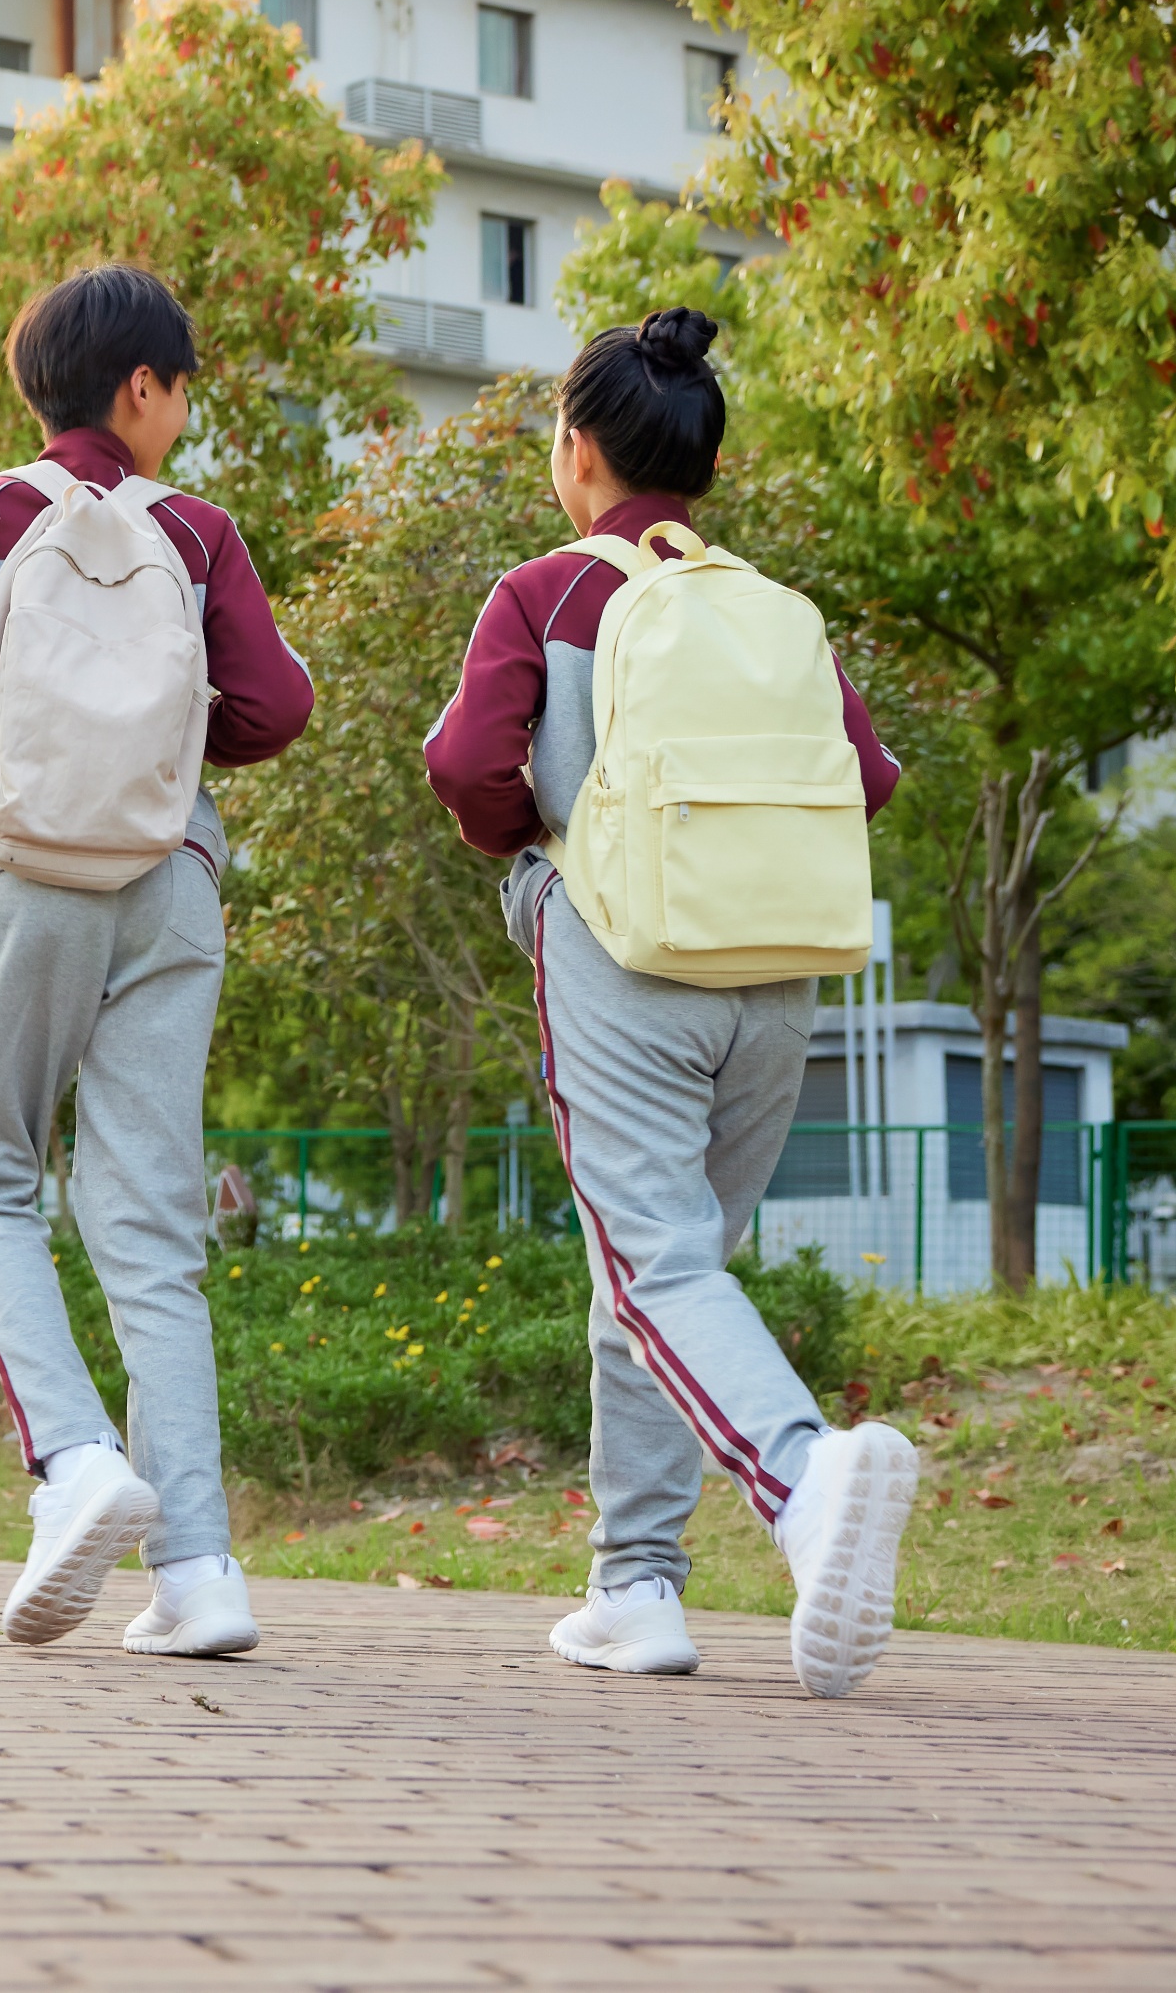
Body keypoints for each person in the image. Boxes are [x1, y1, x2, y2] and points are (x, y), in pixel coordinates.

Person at [421, 308, 920, 1697]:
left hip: (627, 956)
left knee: (653, 1269)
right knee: (662, 1270)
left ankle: (807, 1484)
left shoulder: (547, 592)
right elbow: (868, 782)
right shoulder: (769, 611)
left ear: (576, 453)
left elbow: (468, 766)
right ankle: (636, 1588)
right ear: (701, 464)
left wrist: (540, 855)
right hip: (776, 976)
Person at [0, 263, 313, 1657]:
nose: (186, 410)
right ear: (142, 389)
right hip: (169, 889)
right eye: (184, 387)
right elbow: (274, 704)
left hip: (22, 886)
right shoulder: (197, 532)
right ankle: (202, 1574)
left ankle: (74, 1461)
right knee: (152, 1226)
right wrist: (162, 762)